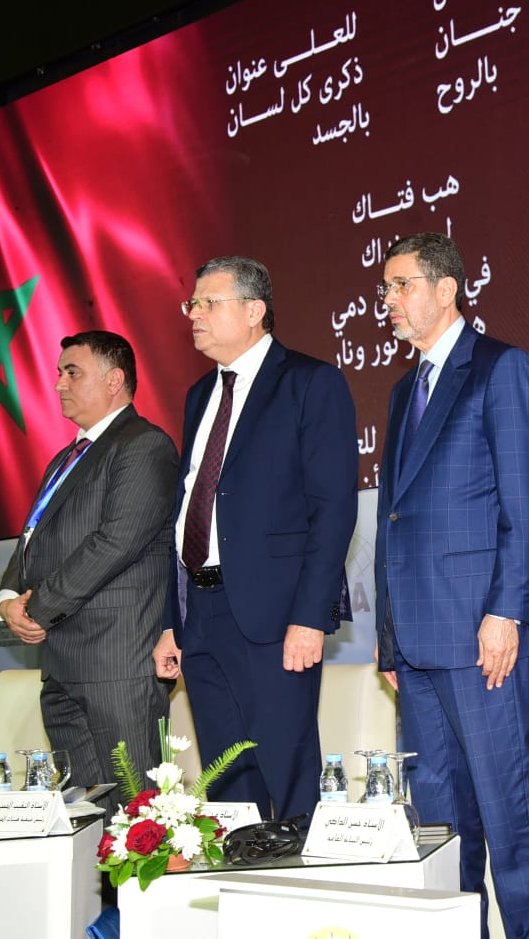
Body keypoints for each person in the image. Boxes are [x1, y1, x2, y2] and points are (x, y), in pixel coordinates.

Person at [374, 233, 529, 939]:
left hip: (482, 633)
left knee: (510, 811)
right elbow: (392, 521)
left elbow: (526, 507)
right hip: (416, 642)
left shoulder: (499, 368)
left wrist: (506, 611)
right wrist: (388, 636)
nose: (388, 301)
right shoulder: (404, 390)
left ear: (447, 289)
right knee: (440, 823)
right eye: (386, 288)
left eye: (402, 285)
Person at [152, 256, 357, 821]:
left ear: (253, 311)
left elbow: (333, 510)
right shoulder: (200, 395)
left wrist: (310, 617)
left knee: (287, 772)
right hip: (201, 612)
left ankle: (301, 875)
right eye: (191, 303)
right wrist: (172, 620)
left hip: (276, 615)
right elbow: (188, 507)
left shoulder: (309, 382)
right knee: (226, 780)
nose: (193, 314)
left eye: (208, 303)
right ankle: (242, 870)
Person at [0, 330, 177, 794]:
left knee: (136, 812)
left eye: (72, 372)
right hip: (62, 661)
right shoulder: (65, 458)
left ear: (114, 380)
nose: (59, 383)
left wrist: (37, 608)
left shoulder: (143, 444)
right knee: (84, 812)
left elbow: (116, 542)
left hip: (117, 661)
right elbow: (33, 538)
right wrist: (8, 599)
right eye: (59, 373)